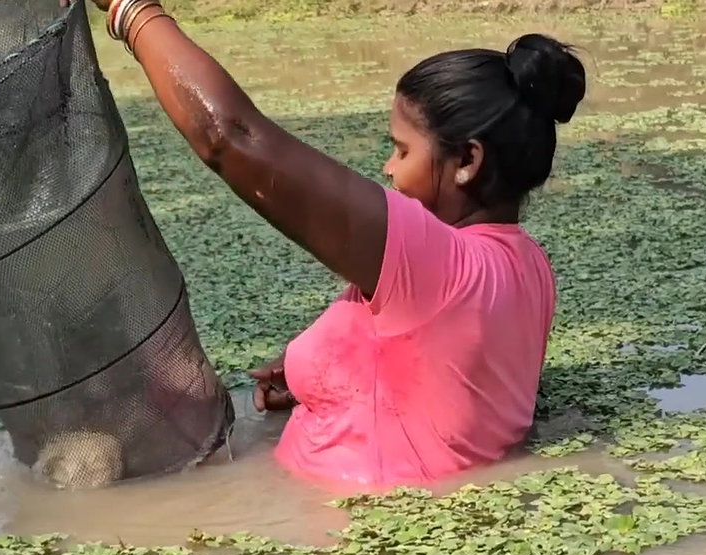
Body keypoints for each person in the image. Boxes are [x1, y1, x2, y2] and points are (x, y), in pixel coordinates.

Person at [88, 0, 585, 489]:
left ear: (467, 162)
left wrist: (133, 11)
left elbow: (230, 136)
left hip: (342, 522)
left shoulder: (436, 262)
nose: (389, 168)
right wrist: (325, 375)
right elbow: (451, 384)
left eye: (403, 150)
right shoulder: (530, 267)